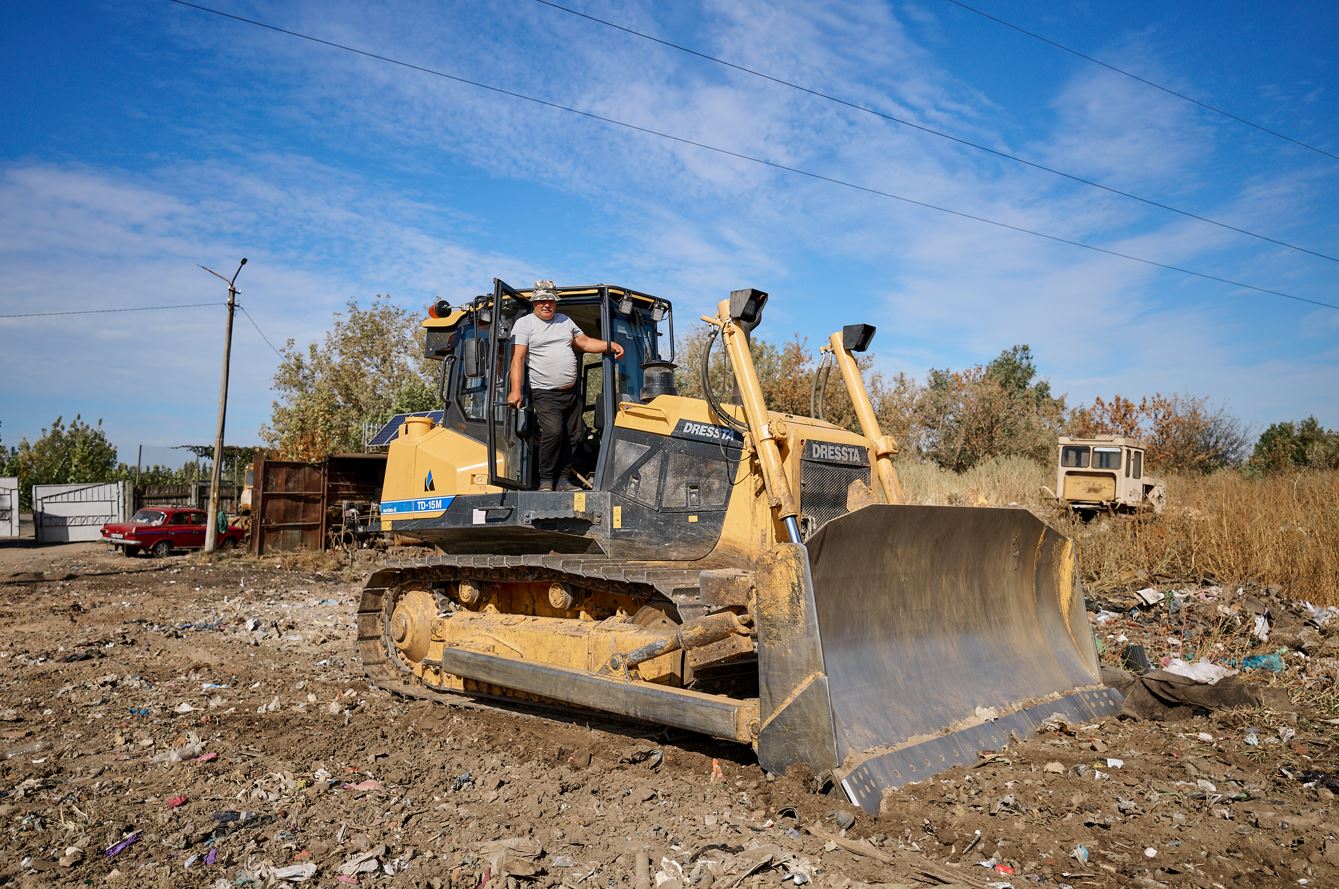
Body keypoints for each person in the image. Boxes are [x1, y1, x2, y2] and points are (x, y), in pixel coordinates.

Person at [507, 282, 624, 491]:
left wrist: (608, 345)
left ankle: (563, 480)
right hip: (545, 393)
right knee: (553, 432)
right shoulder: (525, 324)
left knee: (575, 435)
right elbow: (518, 358)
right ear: (535, 303)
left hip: (571, 393)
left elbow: (586, 343)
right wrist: (515, 391)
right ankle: (545, 480)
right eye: (542, 301)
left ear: (555, 304)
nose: (546, 305)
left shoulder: (565, 321)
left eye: (550, 301)